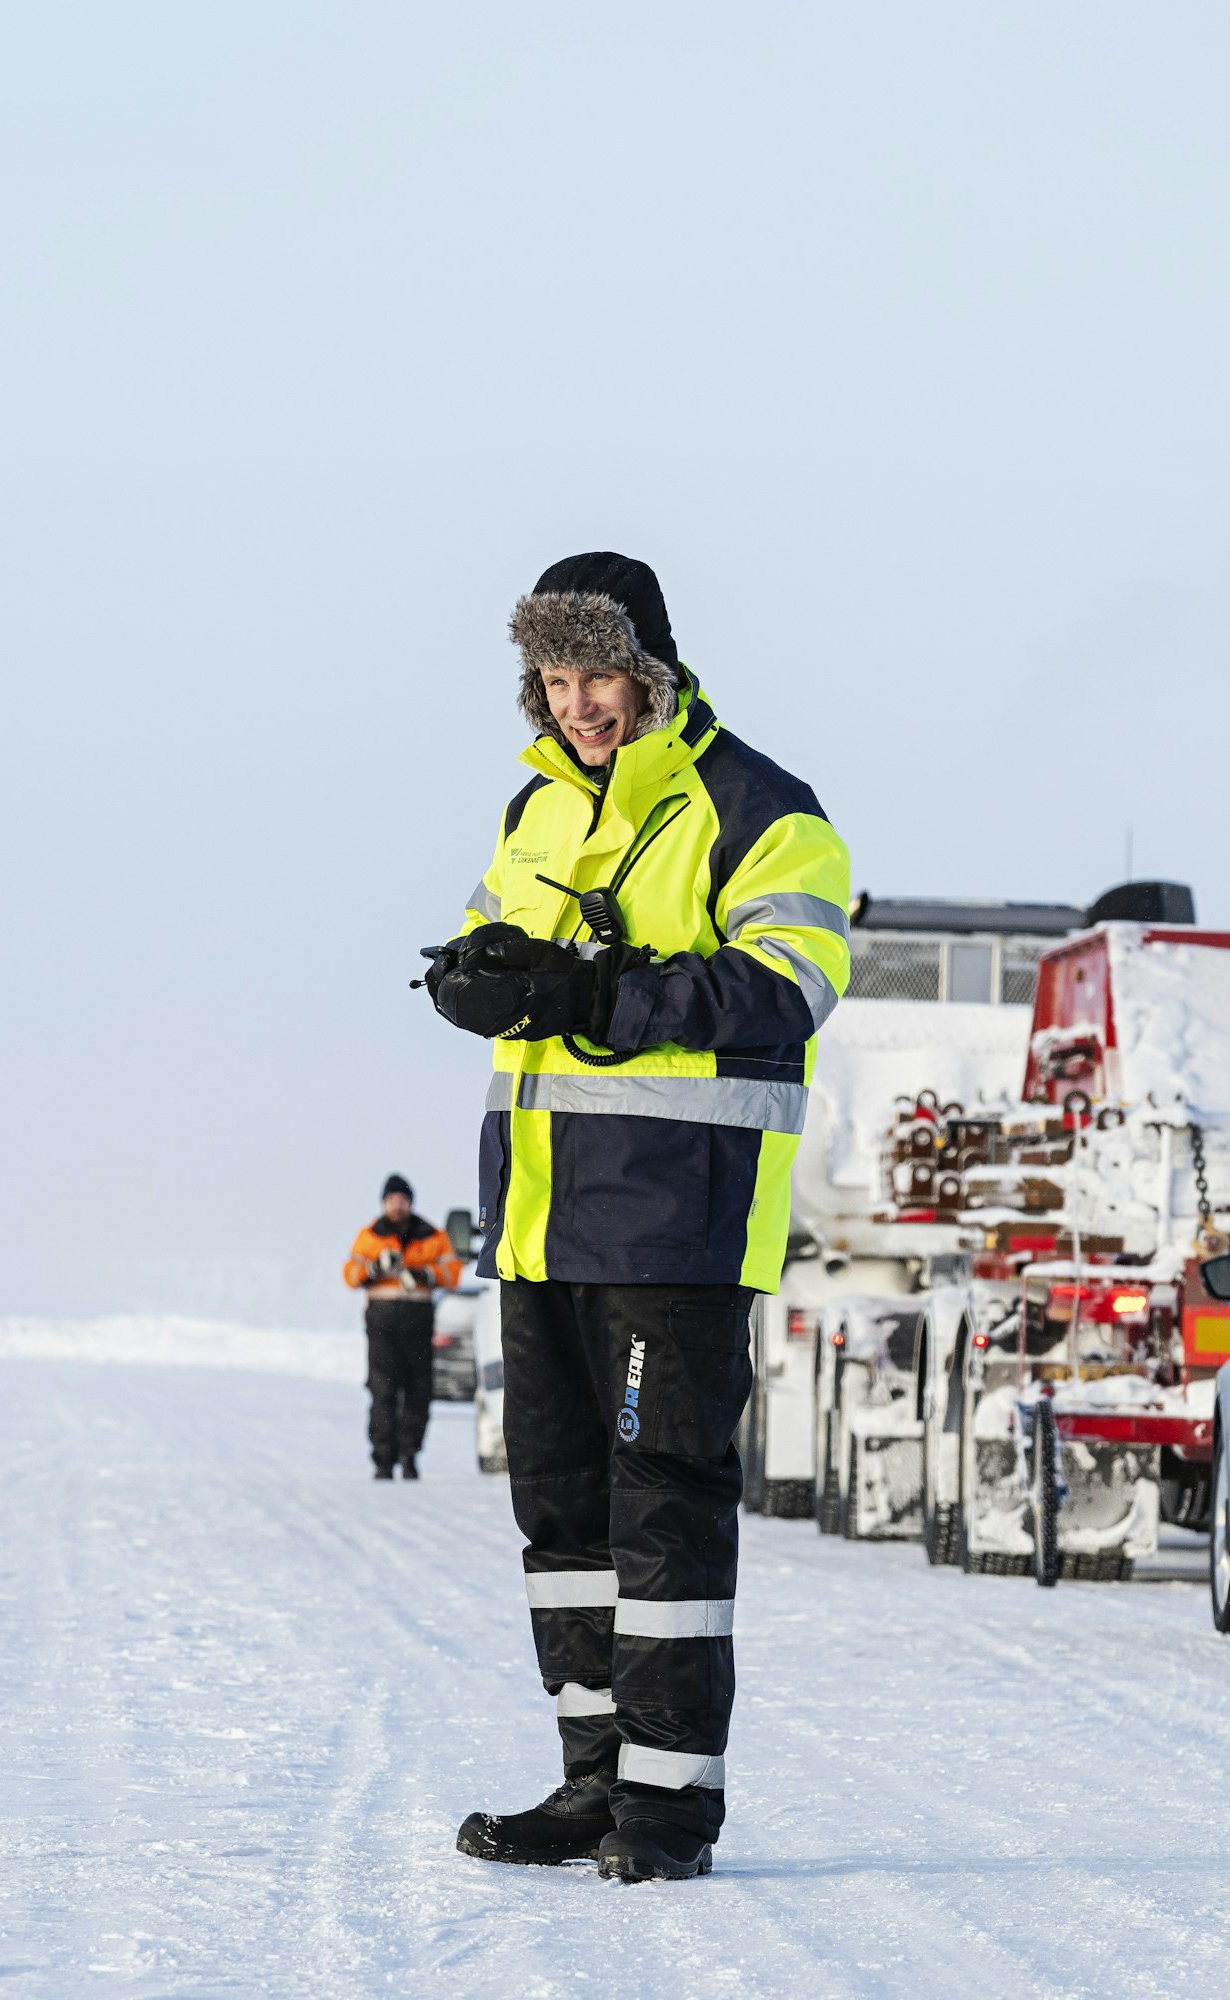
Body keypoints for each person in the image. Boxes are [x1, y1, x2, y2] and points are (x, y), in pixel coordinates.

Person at [421, 551, 850, 1883]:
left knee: (662, 1511)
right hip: (542, 1221)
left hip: (676, 1222)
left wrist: (601, 997)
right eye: (555, 678)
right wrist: (473, 981)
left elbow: (790, 982)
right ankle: (591, 1783)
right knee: (561, 1518)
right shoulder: (533, 809)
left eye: (599, 673)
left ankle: (667, 1811)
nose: (579, 704)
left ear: (652, 668)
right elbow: (505, 952)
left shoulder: (762, 809)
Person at [342, 1174, 463, 1480]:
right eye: (392, 1199)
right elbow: (350, 1275)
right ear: (384, 1202)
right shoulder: (369, 1236)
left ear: (411, 1202)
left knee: (417, 1390)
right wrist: (374, 1268)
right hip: (382, 1321)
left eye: (402, 1200)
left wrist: (425, 1275)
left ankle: (410, 1456)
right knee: (383, 1390)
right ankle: (383, 1460)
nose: (397, 1205)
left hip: (418, 1320)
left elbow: (453, 1274)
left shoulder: (432, 1235)